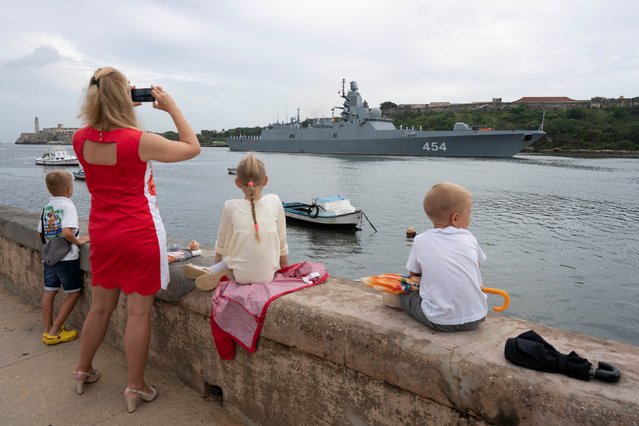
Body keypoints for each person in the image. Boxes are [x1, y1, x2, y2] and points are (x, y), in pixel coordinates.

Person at [71, 67, 200, 413]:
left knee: (100, 307)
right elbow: (192, 147)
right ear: (123, 97)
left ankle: (82, 370)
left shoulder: (79, 138)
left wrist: (118, 108)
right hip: (139, 233)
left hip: (102, 232)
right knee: (139, 312)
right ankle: (135, 386)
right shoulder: (138, 141)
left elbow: (105, 136)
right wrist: (171, 107)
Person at [185, 154, 288, 290]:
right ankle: (214, 271)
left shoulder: (230, 206)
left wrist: (217, 262)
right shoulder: (275, 201)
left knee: (233, 257)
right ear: (265, 181)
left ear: (238, 183)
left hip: (241, 276)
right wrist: (285, 270)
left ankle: (213, 270)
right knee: (241, 254)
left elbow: (222, 244)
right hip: (266, 276)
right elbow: (282, 242)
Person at [396, 182, 487, 332]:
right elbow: (476, 269)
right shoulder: (470, 238)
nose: (470, 218)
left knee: (404, 293)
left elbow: (414, 276)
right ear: (455, 218)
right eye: (469, 213)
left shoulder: (420, 240)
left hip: (440, 321)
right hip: (478, 316)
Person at [38, 170, 90, 345]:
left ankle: (47, 329)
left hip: (50, 257)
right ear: (69, 190)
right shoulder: (68, 206)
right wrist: (79, 241)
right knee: (74, 293)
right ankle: (55, 331)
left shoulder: (47, 207)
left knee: (49, 292)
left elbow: (40, 232)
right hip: (66, 259)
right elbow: (67, 231)